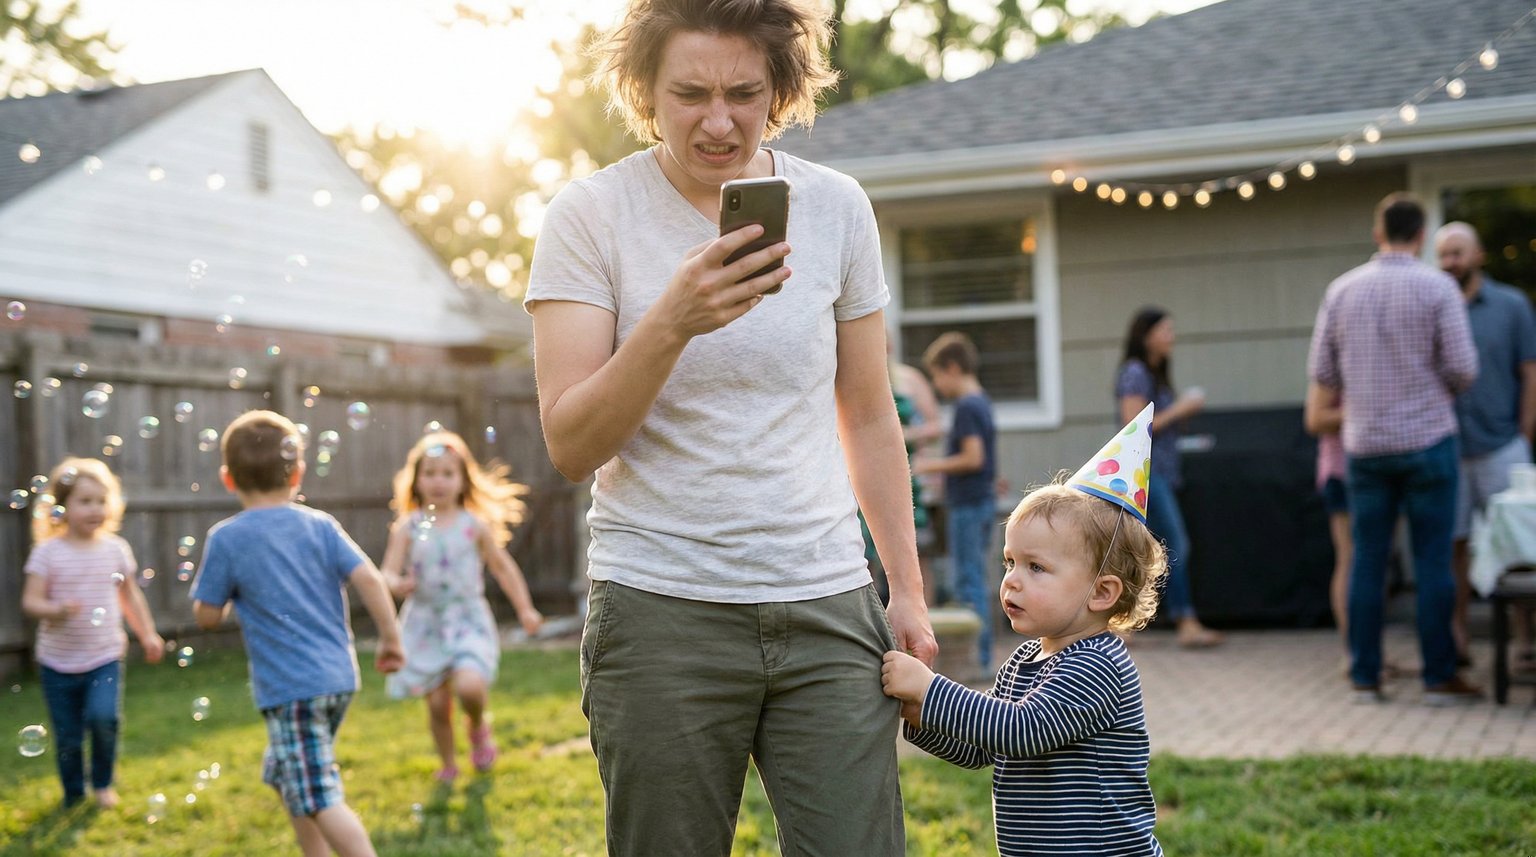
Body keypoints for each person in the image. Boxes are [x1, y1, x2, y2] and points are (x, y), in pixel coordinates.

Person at [524, 0, 936, 853]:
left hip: (826, 594)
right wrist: (673, 317)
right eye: (690, 94)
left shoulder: (837, 207)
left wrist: (905, 583)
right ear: (643, 91)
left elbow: (866, 411)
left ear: (781, 88)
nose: (720, 121)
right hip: (660, 606)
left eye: (745, 92)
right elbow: (570, 443)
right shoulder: (589, 216)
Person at [882, 406, 1166, 857]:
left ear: (1102, 592)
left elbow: (1020, 729)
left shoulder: (1099, 665)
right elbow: (984, 747)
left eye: (1037, 567)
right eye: (1010, 562)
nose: (1012, 579)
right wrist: (918, 714)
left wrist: (931, 690)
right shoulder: (1026, 660)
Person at [190, 410, 404, 857]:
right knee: (288, 776)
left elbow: (207, 617)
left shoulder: (226, 539)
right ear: (297, 472)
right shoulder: (320, 525)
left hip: (291, 688)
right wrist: (391, 638)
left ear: (228, 479)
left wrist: (223, 595)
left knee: (318, 794)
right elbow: (368, 578)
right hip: (337, 678)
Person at [1306, 192, 1481, 705]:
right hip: (1429, 441)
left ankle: (1364, 675)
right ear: (1422, 234)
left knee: (1367, 561)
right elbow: (1465, 369)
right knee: (1433, 561)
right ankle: (1437, 677)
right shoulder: (1439, 288)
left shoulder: (1342, 290)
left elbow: (1324, 373)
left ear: (1378, 232)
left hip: (1366, 446)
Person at [381, 431, 544, 782]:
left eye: (447, 473)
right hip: (425, 622)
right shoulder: (407, 527)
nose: (438, 481)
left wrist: (525, 608)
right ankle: (449, 764)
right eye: (430, 473)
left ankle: (477, 726)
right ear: (416, 480)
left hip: (467, 618)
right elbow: (388, 573)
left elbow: (502, 567)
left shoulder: (474, 526)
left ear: (462, 480)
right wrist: (397, 585)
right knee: (438, 705)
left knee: (470, 686)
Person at [20, 457, 164, 809]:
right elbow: (31, 601)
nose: (95, 508)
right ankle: (73, 791)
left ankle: (101, 782)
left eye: (102, 500)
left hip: (104, 657)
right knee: (68, 736)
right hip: (57, 663)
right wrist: (55, 609)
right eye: (85, 501)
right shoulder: (48, 553)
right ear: (62, 506)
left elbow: (129, 595)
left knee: (104, 719)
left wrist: (147, 634)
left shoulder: (115, 549)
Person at [1437, 221, 1536, 670]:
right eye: (1442, 255)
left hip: (1502, 446)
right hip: (1449, 449)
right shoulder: (1433, 306)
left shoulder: (1512, 306)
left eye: (1457, 253)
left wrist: (1524, 434)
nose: (1449, 262)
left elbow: (1530, 373)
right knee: (1453, 548)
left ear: (1478, 255)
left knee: (1518, 545)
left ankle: (1525, 641)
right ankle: (1457, 640)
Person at [1115, 306, 1223, 647]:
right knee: (1174, 544)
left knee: (1141, 549)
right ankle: (1185, 622)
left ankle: (1122, 622)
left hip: (1160, 473)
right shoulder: (1135, 372)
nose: (1171, 337)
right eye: (1166, 330)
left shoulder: (1154, 372)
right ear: (1146, 336)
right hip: (1145, 475)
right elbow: (1133, 427)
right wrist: (1181, 409)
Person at [915, 331, 998, 669]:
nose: (936, 385)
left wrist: (927, 465)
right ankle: (979, 657)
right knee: (973, 576)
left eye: (936, 375)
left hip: (968, 505)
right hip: (982, 501)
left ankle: (975, 660)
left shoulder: (966, 406)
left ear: (952, 368)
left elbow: (973, 457)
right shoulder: (982, 401)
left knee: (968, 581)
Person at [1304, 387, 1353, 653]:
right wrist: (1363, 411)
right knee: (1350, 558)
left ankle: (1368, 652)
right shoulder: (1334, 357)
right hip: (1342, 472)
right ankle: (1354, 651)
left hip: (1375, 472)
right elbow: (1315, 419)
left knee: (1374, 561)